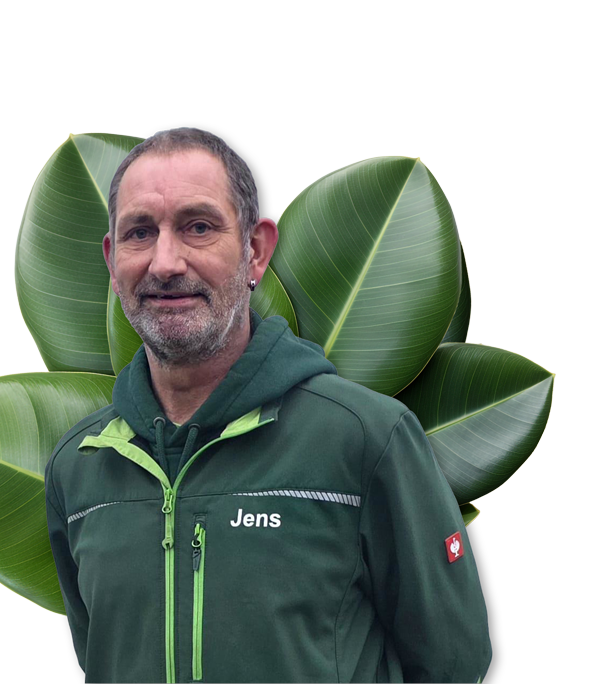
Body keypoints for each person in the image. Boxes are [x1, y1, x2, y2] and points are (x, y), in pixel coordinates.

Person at [44, 127, 492, 684]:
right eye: (140, 232)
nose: (165, 262)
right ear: (113, 262)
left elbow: (452, 664)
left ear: (254, 250)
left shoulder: (367, 439)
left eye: (198, 227)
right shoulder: (78, 467)